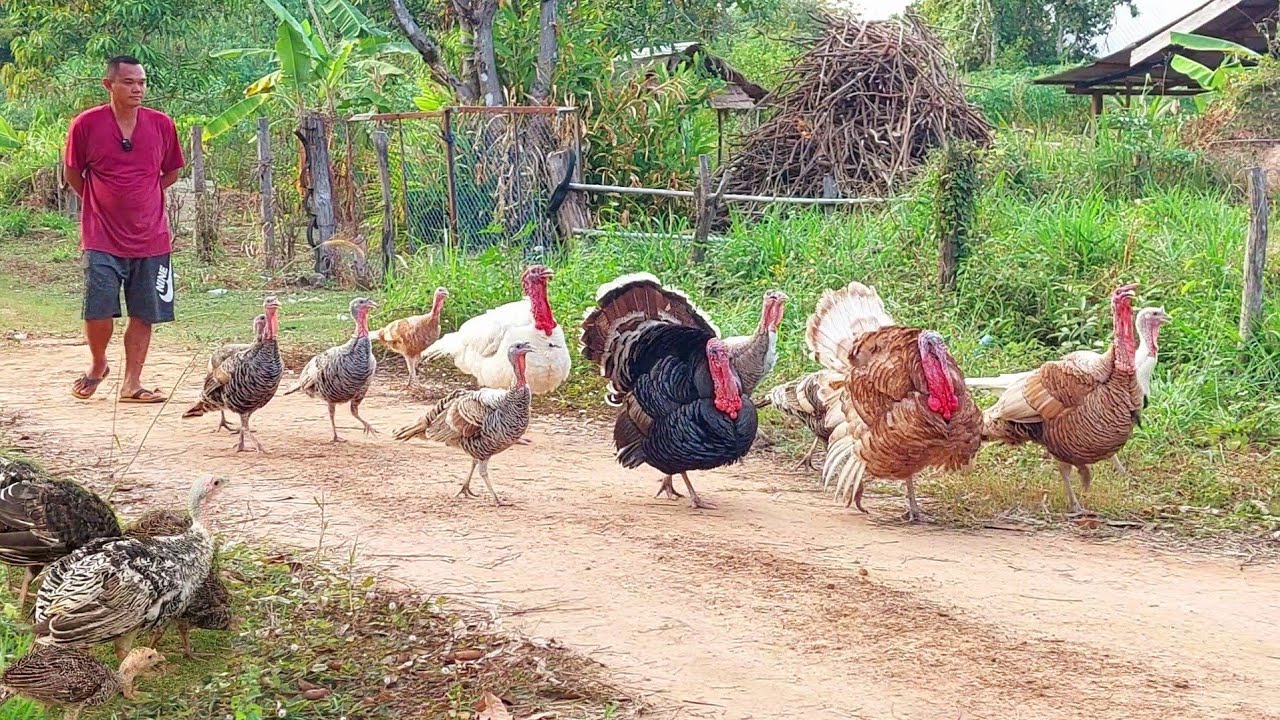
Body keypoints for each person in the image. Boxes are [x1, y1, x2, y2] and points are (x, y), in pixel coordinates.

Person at [65, 55, 185, 403]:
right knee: (99, 307)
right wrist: (100, 201)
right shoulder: (86, 124)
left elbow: (172, 171)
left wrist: (144, 195)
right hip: (100, 234)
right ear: (109, 85)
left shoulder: (162, 124)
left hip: (151, 236)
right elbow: (74, 173)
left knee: (144, 311)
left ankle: (132, 382)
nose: (137, 88)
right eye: (129, 82)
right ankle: (98, 364)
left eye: (142, 82)